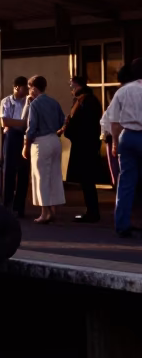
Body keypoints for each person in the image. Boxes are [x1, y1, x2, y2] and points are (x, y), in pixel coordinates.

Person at [105, 58, 142, 239]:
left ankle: (122, 224)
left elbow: (113, 121)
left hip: (127, 136)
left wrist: (114, 143)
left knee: (125, 182)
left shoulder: (123, 91)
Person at [21, 75, 67, 224]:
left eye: (30, 88)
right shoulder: (54, 102)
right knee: (54, 175)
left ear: (34, 88)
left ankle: (44, 212)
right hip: (54, 139)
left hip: (41, 141)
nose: (29, 91)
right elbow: (62, 120)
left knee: (41, 177)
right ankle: (54, 210)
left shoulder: (34, 104)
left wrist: (26, 146)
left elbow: (31, 127)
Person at [62, 75, 104, 223]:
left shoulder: (84, 101)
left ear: (77, 86)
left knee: (87, 181)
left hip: (84, 146)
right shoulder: (88, 100)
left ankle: (92, 212)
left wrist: (68, 127)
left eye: (72, 86)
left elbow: (79, 124)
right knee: (87, 181)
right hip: (88, 145)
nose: (71, 90)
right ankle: (91, 211)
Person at [0, 76, 30, 218]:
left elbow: (28, 123)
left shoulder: (29, 101)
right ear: (17, 87)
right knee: (9, 171)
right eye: (25, 88)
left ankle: (20, 207)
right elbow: (4, 122)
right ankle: (7, 205)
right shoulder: (6, 101)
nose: (27, 91)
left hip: (25, 136)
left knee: (24, 172)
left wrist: (14, 123)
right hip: (11, 137)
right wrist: (22, 123)